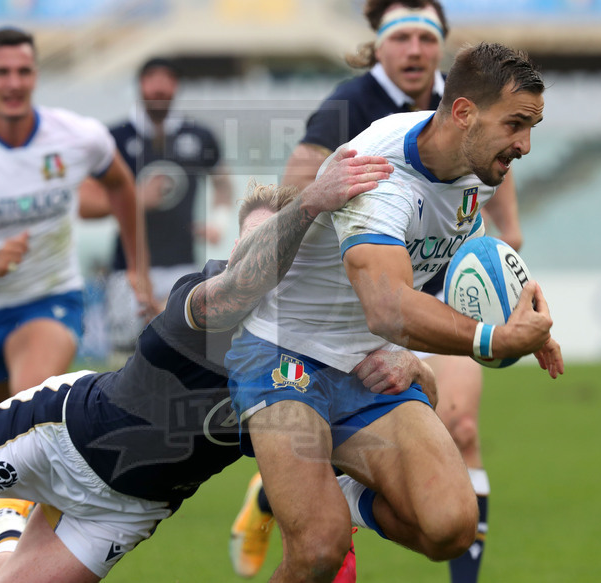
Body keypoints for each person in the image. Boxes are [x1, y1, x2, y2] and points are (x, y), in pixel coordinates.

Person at [0, 150, 420, 583]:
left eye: (273, 244)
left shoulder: (308, 357)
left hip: (127, 512)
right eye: (250, 240)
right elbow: (239, 287)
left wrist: (409, 366)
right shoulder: (204, 293)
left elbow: (396, 419)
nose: (256, 257)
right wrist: (313, 199)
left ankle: (6, 524)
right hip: (58, 436)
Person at [224, 42, 564, 583]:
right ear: (463, 113)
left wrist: (516, 312)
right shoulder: (380, 171)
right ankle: (328, 499)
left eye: (532, 128)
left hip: (366, 363)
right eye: (516, 125)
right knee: (318, 550)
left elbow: (455, 265)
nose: (524, 145)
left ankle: (344, 487)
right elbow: (386, 307)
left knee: (452, 526)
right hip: (282, 352)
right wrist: (493, 340)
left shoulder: (473, 169)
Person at [0, 27, 153, 582]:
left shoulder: (78, 137)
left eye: (24, 71)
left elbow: (122, 187)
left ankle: (26, 557)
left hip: (50, 300)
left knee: (27, 411)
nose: (14, 83)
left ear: (35, 77)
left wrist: (137, 266)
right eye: (2, 73)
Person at [80, 56, 235, 361]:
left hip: (182, 264)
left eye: (167, 81)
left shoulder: (198, 136)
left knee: (185, 356)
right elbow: (84, 204)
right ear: (140, 86)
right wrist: (135, 199)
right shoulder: (115, 138)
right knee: (125, 358)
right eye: (152, 80)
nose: (159, 89)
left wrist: (219, 220)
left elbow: (223, 184)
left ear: (176, 87)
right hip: (129, 268)